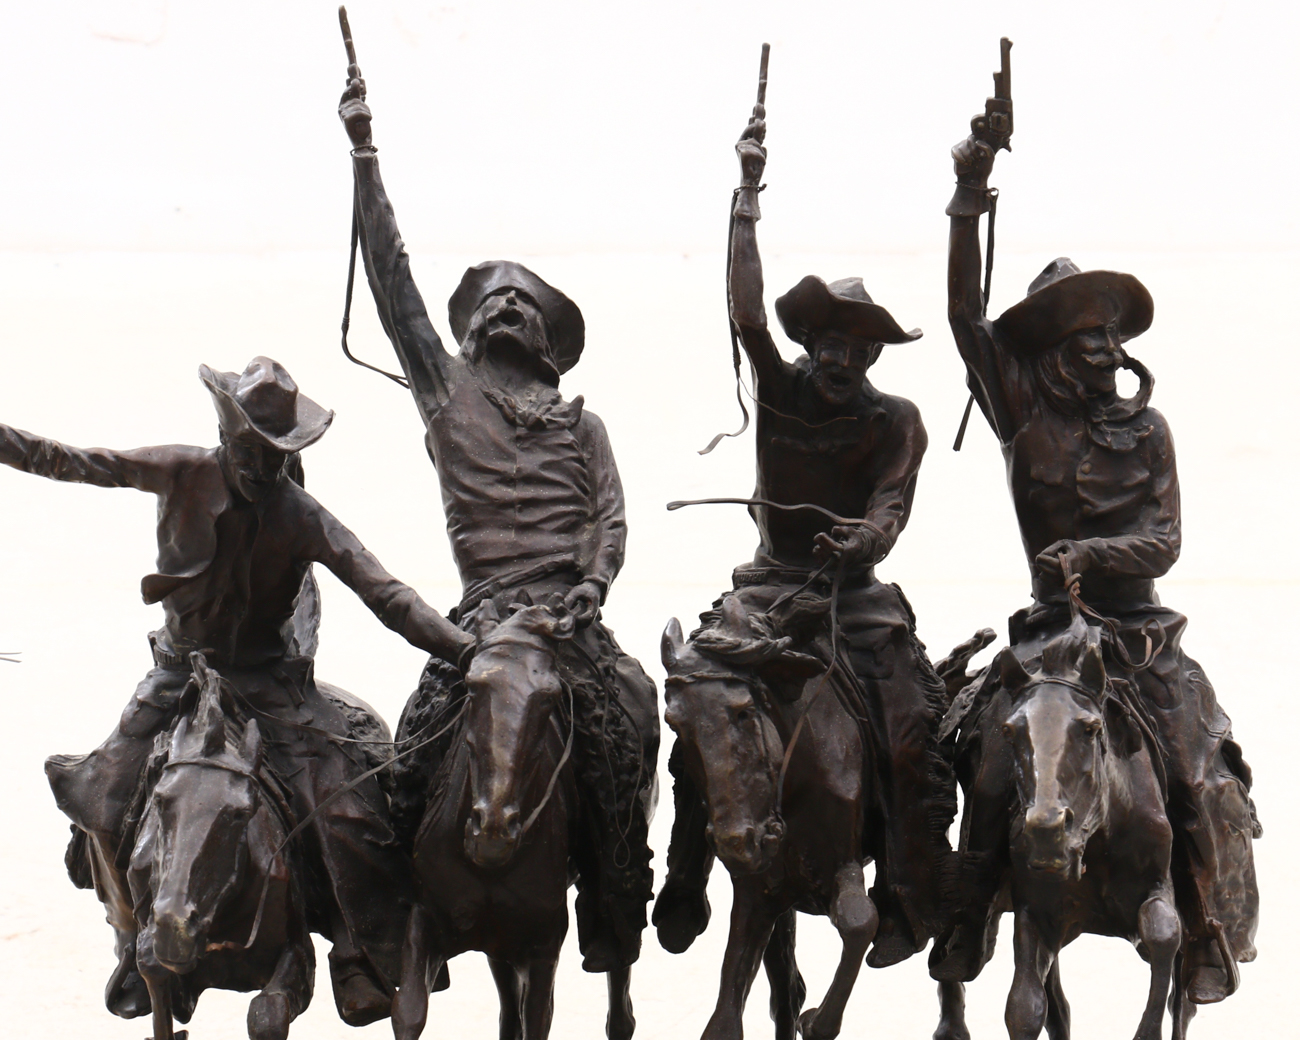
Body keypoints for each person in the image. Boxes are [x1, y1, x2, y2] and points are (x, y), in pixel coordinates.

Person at [6, 357, 471, 1026]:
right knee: (101, 796)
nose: (263, 465)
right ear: (225, 434)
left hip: (270, 685)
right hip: (177, 676)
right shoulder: (179, 471)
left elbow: (387, 594)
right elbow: (72, 461)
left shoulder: (300, 514)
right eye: (252, 449)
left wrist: (462, 649)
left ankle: (358, 951)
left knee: (348, 809)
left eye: (277, 454)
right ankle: (133, 939)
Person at [338, 68, 659, 974]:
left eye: (526, 302)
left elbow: (609, 519)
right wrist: (365, 156)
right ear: (471, 332)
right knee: (411, 757)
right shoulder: (446, 395)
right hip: (478, 621)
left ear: (548, 343)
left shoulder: (583, 425)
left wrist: (594, 584)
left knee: (631, 721)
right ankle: (399, 923)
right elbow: (394, 285)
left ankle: (613, 902)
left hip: (569, 621)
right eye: (495, 299)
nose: (510, 305)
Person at [935, 128, 1260, 1003]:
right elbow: (965, 318)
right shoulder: (1021, 416)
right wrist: (969, 191)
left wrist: (1091, 552)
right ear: (1056, 349)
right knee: (991, 768)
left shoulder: (1150, 432)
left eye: (1113, 336)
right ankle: (968, 913)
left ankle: (1205, 927)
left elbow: (1166, 541)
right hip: (1050, 637)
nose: (1109, 351)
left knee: (1197, 773)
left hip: (1142, 637)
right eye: (1090, 337)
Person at [654, 102, 958, 968]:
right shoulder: (780, 389)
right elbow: (746, 314)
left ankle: (907, 892)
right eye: (831, 343)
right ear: (812, 342)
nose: (842, 359)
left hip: (854, 601)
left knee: (914, 726)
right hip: (764, 592)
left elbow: (890, 509)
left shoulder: (897, 421)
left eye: (858, 350)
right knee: (698, 705)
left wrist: (862, 543)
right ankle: (685, 872)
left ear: (873, 359)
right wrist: (746, 198)